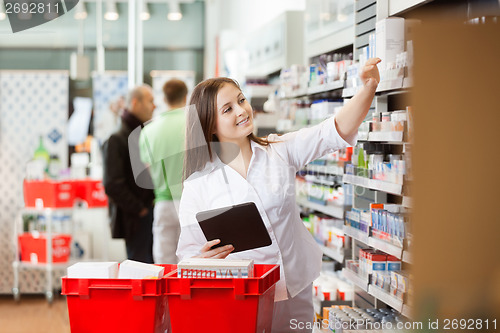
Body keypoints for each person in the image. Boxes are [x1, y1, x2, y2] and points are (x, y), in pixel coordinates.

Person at [176, 58, 381, 332]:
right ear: (210, 125)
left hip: (296, 285)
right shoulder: (198, 184)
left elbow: (334, 130)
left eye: (241, 100)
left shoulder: (278, 150)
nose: (241, 110)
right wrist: (203, 259)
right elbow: (187, 256)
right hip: (243, 294)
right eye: (228, 109)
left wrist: (369, 86)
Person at [103, 84, 156, 263]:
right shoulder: (117, 139)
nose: (154, 106)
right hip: (135, 218)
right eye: (150, 101)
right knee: (142, 272)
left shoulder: (143, 134)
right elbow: (112, 184)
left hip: (150, 213)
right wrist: (139, 209)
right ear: (135, 102)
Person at [139, 79, 188, 264]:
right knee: (192, 260)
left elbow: (149, 169)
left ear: (164, 98)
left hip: (163, 202)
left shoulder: (148, 131)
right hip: (190, 201)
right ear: (185, 96)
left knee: (163, 262)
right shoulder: (195, 125)